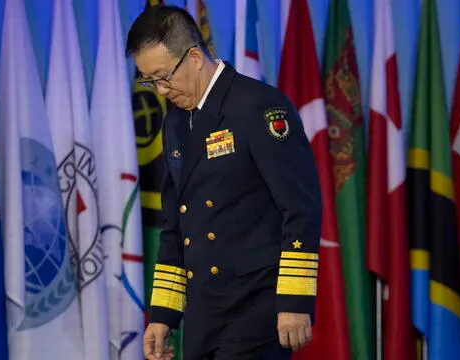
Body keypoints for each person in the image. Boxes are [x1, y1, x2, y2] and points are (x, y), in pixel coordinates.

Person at [126, 5, 322, 360]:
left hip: (256, 310)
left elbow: (301, 207)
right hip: (204, 314)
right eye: (149, 80)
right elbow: (176, 224)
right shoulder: (174, 123)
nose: (160, 90)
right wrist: (163, 315)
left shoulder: (259, 107)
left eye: (163, 76)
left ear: (195, 58)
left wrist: (295, 301)